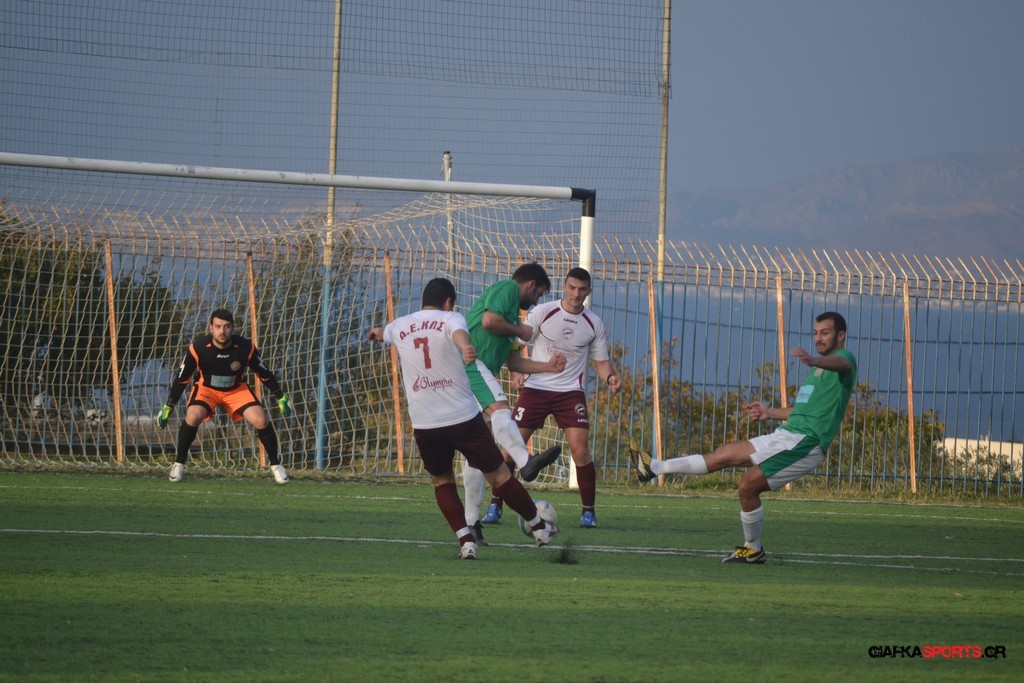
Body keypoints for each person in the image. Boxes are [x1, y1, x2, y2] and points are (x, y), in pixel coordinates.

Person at [631, 312, 856, 564]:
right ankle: (654, 468)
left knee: (747, 486)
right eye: (815, 333)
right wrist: (770, 413)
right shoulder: (817, 370)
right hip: (786, 435)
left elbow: (843, 365)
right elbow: (804, 411)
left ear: (841, 335)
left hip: (806, 443)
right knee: (723, 454)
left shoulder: (844, 360)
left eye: (825, 333)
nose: (818, 338)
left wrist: (815, 360)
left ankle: (753, 549)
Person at [368, 278, 559, 559]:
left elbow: (382, 331)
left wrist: (375, 332)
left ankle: (466, 541)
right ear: (448, 302)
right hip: (461, 418)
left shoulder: (400, 326)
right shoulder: (451, 318)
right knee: (499, 476)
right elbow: (459, 334)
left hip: (425, 423)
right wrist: (466, 347)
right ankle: (539, 527)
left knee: (442, 481)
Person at [483, 267, 622, 528]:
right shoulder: (543, 312)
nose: (576, 294)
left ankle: (588, 513)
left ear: (588, 292)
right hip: (535, 388)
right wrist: (517, 372)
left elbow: (602, 362)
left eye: (582, 289)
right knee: (511, 448)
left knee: (580, 450)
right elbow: (518, 344)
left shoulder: (594, 323)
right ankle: (495, 505)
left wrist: (611, 378)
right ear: (564, 287)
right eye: (572, 287)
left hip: (570, 393)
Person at [460, 262, 566, 539]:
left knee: (478, 451)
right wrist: (520, 331)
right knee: (501, 410)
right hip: (470, 366)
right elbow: (488, 321)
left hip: (474, 374)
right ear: (530, 285)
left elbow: (514, 362)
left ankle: (471, 523)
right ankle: (524, 459)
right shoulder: (507, 288)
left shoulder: (513, 321)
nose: (536, 301)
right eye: (538, 294)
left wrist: (548, 367)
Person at [157, 308, 292, 484]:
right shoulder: (198, 348)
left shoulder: (245, 348)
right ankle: (179, 464)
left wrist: (280, 395)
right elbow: (182, 378)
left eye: (227, 326)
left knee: (261, 420)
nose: (222, 331)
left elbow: (264, 373)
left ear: (232, 328)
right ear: (211, 328)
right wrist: (169, 405)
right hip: (207, 390)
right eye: (218, 326)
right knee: (193, 416)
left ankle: (276, 465)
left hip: (236, 390)